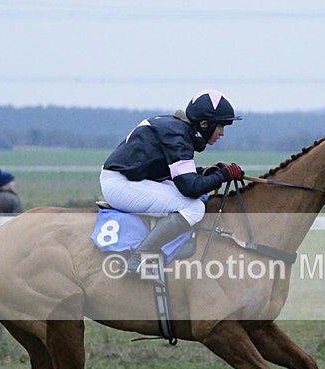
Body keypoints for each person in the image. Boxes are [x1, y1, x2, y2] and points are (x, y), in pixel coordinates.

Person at [99, 88, 245, 276]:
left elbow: (178, 174)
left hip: (132, 179)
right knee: (194, 208)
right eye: (220, 126)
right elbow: (189, 188)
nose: (222, 133)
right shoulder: (178, 135)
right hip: (120, 184)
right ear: (204, 123)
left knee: (199, 198)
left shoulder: (178, 129)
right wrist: (223, 176)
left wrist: (208, 172)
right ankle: (139, 257)